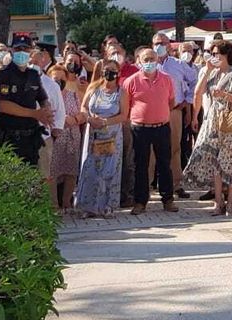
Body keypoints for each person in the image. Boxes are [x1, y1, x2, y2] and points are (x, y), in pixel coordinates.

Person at [183, 42, 232, 216]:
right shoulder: (212, 74)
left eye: (217, 54)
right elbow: (197, 93)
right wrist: (206, 71)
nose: (213, 57)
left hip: (230, 122)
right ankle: (218, 202)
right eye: (212, 54)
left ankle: (231, 200)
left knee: (230, 160)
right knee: (215, 162)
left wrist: (225, 95)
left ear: (226, 56)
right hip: (212, 121)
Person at [123, 47, 178, 214]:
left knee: (164, 164)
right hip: (140, 129)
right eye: (145, 59)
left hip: (161, 127)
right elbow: (126, 106)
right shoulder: (131, 81)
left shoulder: (167, 79)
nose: (149, 63)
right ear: (138, 61)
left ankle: (168, 199)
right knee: (141, 165)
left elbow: (171, 102)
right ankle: (140, 202)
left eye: (152, 59)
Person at [78, 62, 128, 218]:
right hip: (93, 133)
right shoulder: (93, 88)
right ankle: (88, 207)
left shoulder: (122, 93)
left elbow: (123, 115)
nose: (110, 73)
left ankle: (107, 205)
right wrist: (90, 118)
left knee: (109, 171)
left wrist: (106, 122)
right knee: (90, 170)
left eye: (113, 71)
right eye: (107, 70)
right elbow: (84, 107)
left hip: (111, 135)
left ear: (118, 73)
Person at [152, 32, 197, 199]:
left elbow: (194, 80)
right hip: (152, 113)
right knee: (151, 150)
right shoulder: (146, 64)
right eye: (156, 43)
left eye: (162, 43)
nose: (159, 46)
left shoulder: (179, 64)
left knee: (174, 148)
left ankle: (176, 184)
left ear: (169, 45)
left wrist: (187, 100)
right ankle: (150, 185)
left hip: (174, 111)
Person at [0, 41, 49, 168]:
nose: (22, 52)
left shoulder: (33, 74)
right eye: (18, 49)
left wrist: (46, 112)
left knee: (31, 179)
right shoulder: (3, 74)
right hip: (9, 138)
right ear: (11, 50)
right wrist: (34, 114)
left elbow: (42, 98)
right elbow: (3, 105)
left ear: (31, 51)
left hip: (31, 138)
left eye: (26, 48)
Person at [46, 65, 83, 212]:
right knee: (52, 172)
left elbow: (84, 113)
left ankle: (67, 203)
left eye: (62, 79)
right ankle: (54, 205)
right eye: (55, 79)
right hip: (54, 137)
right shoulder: (46, 96)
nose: (59, 82)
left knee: (71, 171)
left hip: (71, 137)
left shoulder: (73, 95)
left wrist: (74, 118)